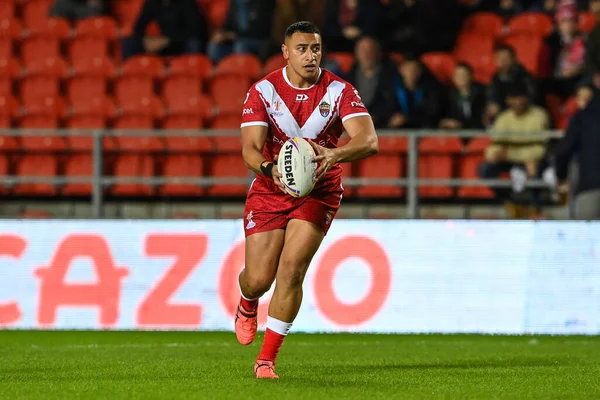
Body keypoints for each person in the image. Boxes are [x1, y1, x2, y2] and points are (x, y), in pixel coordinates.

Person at [236, 21, 378, 379]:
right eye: (302, 48)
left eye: (315, 48)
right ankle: (248, 301)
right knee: (258, 278)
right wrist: (271, 171)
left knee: (292, 269)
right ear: (286, 52)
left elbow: (369, 140)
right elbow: (250, 150)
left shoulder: (339, 91)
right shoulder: (264, 91)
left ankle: (266, 359)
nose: (310, 55)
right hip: (271, 187)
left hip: (320, 189)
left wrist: (335, 155)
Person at [554, 88, 600, 219]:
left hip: (591, 186)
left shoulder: (583, 117)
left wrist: (561, 176)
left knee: (587, 236)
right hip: (591, 185)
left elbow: (563, 150)